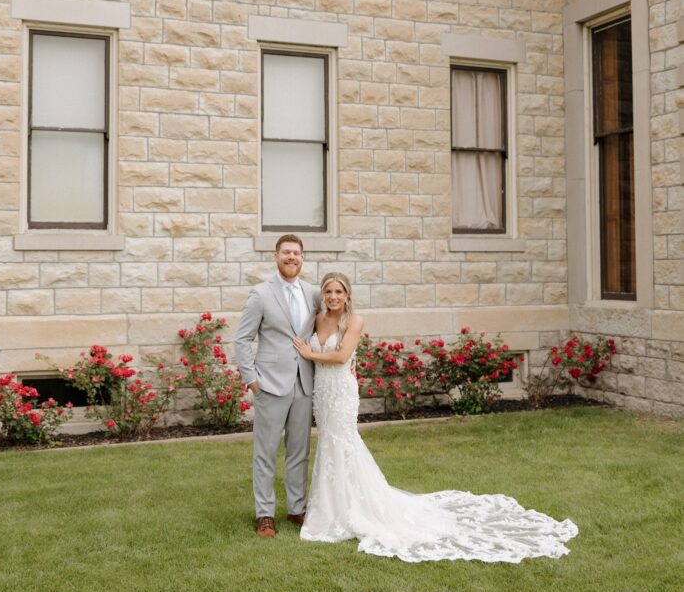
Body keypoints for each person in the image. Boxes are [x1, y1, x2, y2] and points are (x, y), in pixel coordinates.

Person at [293, 273, 579, 563]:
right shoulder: (318, 319)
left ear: (347, 295)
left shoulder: (355, 320)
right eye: (328, 291)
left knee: (344, 443)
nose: (333, 297)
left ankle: (353, 510)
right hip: (322, 391)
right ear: (323, 294)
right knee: (329, 444)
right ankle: (332, 507)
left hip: (341, 391)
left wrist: (309, 353)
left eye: (338, 291)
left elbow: (342, 357)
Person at [235, 234, 321, 539]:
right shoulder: (260, 294)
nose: (291, 257)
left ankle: (297, 508)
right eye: (286, 252)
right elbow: (242, 339)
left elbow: (336, 323)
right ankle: (265, 514)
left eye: (296, 253)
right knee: (266, 452)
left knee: (299, 450)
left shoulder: (314, 294)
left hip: (304, 382)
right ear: (276, 256)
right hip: (269, 384)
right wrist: (252, 381)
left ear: (302, 257)